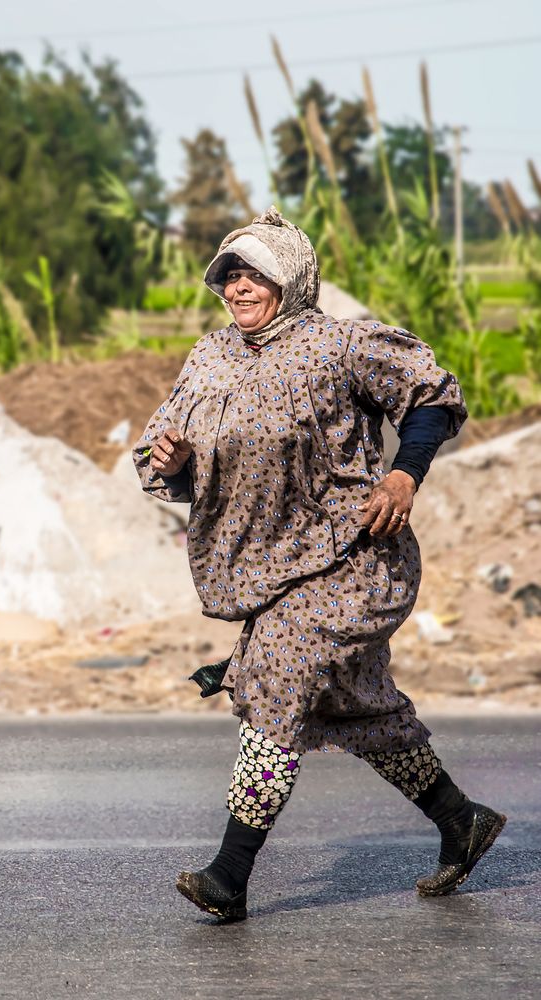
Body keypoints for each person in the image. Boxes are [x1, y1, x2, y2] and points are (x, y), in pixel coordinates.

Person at [132, 207, 506, 922]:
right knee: (358, 708)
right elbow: (172, 466)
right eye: (230, 275)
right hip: (270, 570)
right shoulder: (208, 359)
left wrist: (405, 476)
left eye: (255, 275)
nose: (239, 288)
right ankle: (461, 821)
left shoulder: (341, 346)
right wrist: (174, 464)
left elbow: (430, 396)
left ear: (292, 280)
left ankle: (230, 874)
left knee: (274, 677)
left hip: (355, 558)